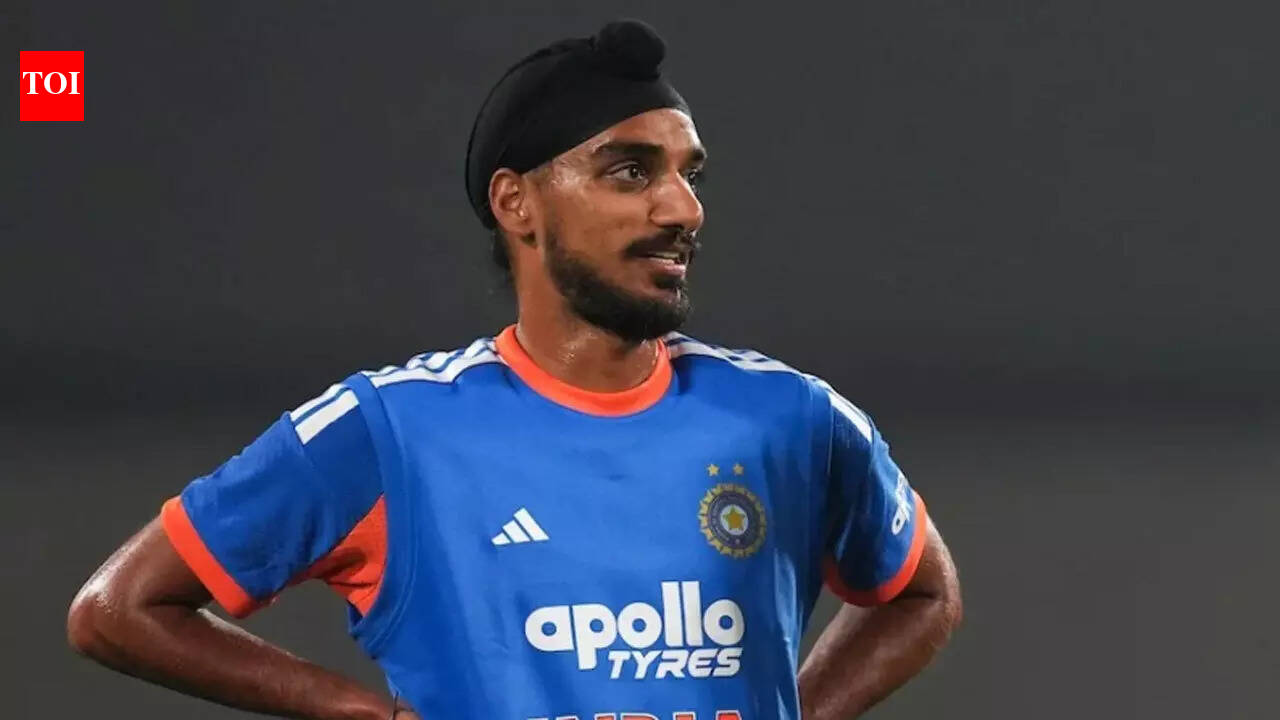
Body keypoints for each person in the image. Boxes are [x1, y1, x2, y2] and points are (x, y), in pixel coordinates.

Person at [67, 19, 961, 720]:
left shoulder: (790, 417)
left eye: (689, 174)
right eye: (629, 171)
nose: (682, 207)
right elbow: (118, 611)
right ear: (516, 202)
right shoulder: (392, 430)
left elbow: (924, 591)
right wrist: (357, 711)